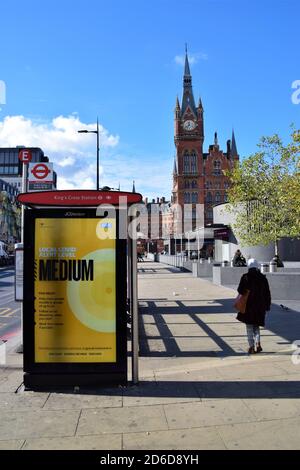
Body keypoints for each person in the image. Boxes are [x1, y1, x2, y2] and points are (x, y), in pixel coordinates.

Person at [236, 258, 271, 354]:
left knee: (249, 327)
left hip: (248, 306)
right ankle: (258, 343)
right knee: (256, 325)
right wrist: (267, 306)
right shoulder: (263, 278)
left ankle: (251, 346)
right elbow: (267, 293)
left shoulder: (245, 277)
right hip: (260, 306)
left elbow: (240, 290)